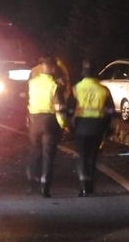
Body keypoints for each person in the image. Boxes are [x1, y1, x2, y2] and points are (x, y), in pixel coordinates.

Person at [72, 61, 115, 196]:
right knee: (93, 157)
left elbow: (69, 110)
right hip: (98, 127)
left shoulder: (76, 88)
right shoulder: (104, 90)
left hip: (81, 126)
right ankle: (90, 186)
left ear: (83, 72)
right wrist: (108, 128)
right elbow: (110, 111)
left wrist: (69, 126)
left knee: (83, 157)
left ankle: (84, 187)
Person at [27, 56, 67, 197]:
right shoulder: (55, 85)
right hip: (49, 121)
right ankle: (45, 187)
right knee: (48, 155)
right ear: (53, 68)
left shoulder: (32, 83)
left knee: (35, 153)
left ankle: (32, 182)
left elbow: (27, 100)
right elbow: (59, 108)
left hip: (34, 121)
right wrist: (64, 125)